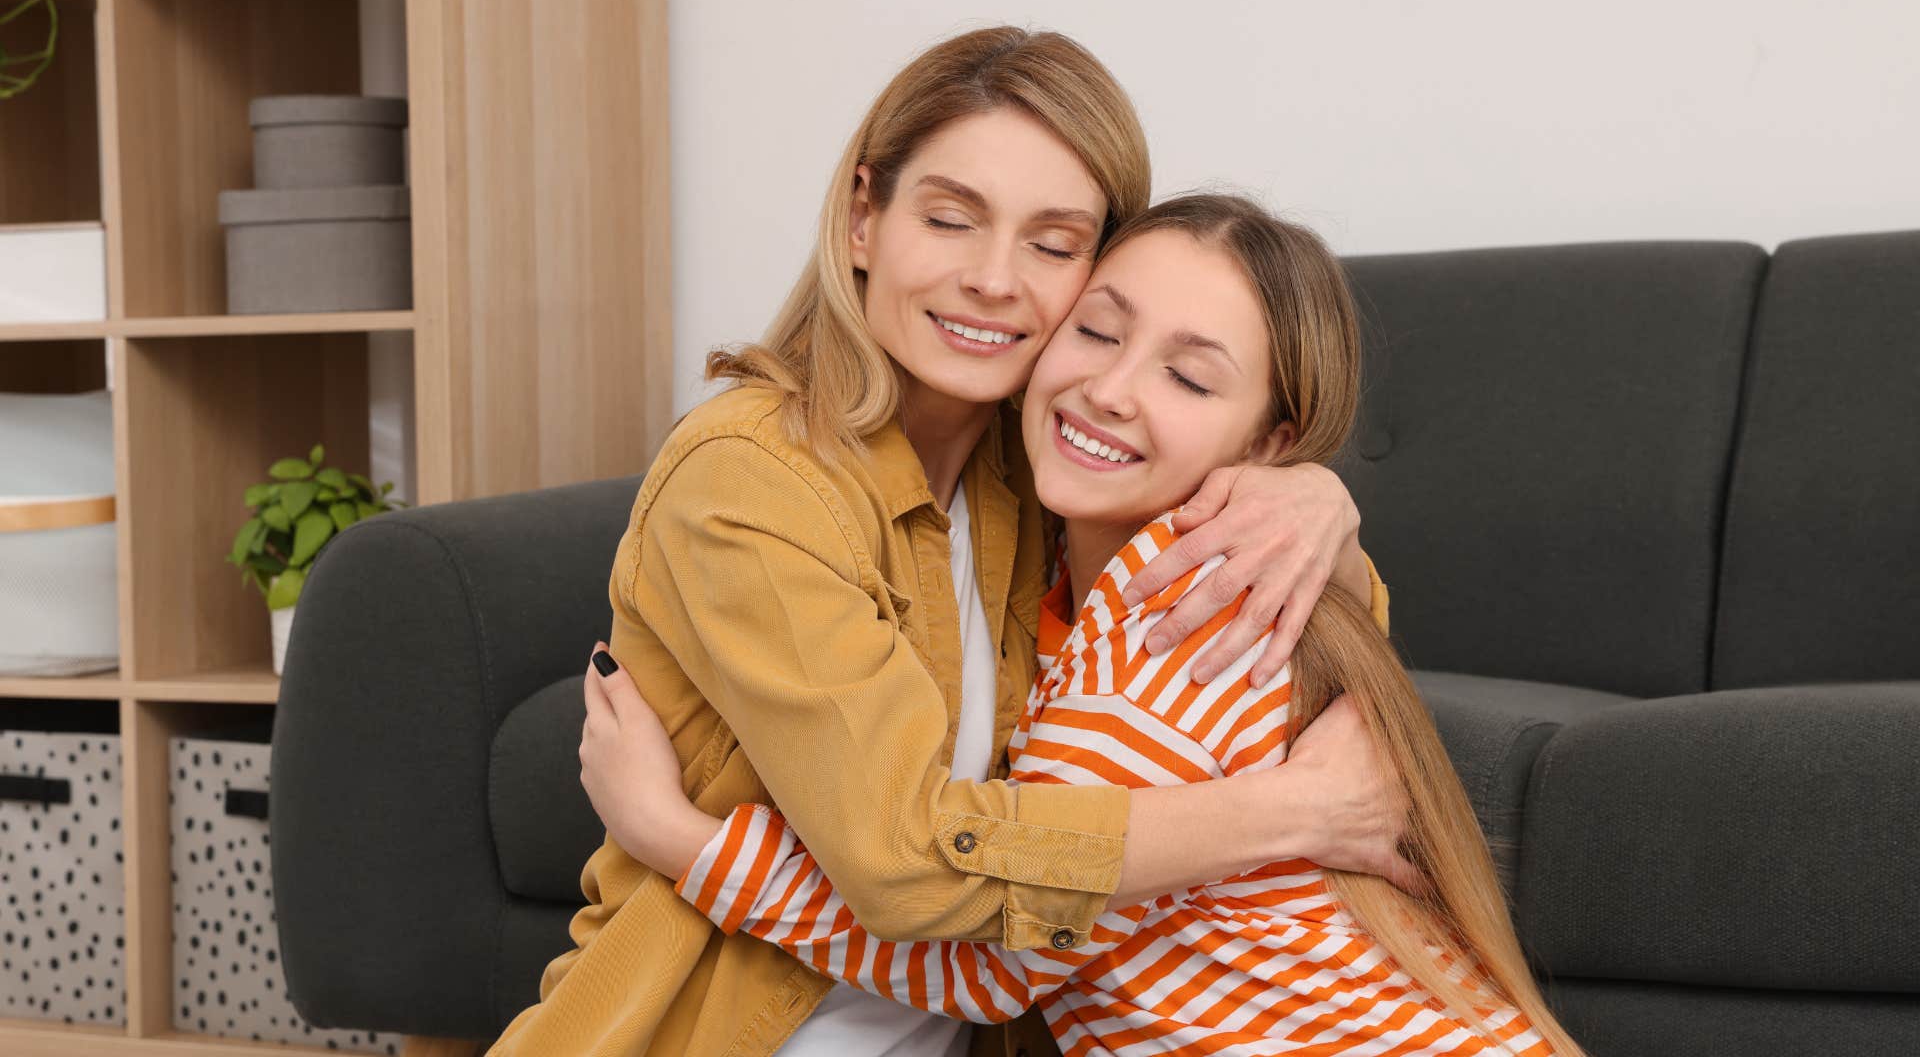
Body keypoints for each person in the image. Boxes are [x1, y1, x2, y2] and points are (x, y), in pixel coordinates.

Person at [491, 28, 1409, 1057]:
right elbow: (911, 869)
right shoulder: (749, 479)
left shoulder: (1042, 467)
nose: (993, 279)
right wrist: (1294, 812)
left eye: (1054, 244)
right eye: (950, 219)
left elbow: (1299, 624)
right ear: (862, 220)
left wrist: (1319, 506)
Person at [588, 195, 1586, 1055]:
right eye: (1099, 332)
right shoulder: (1060, 556)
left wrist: (680, 837)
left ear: (1268, 441)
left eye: (1189, 379)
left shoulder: (1164, 638)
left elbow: (985, 969)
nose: (1110, 391)